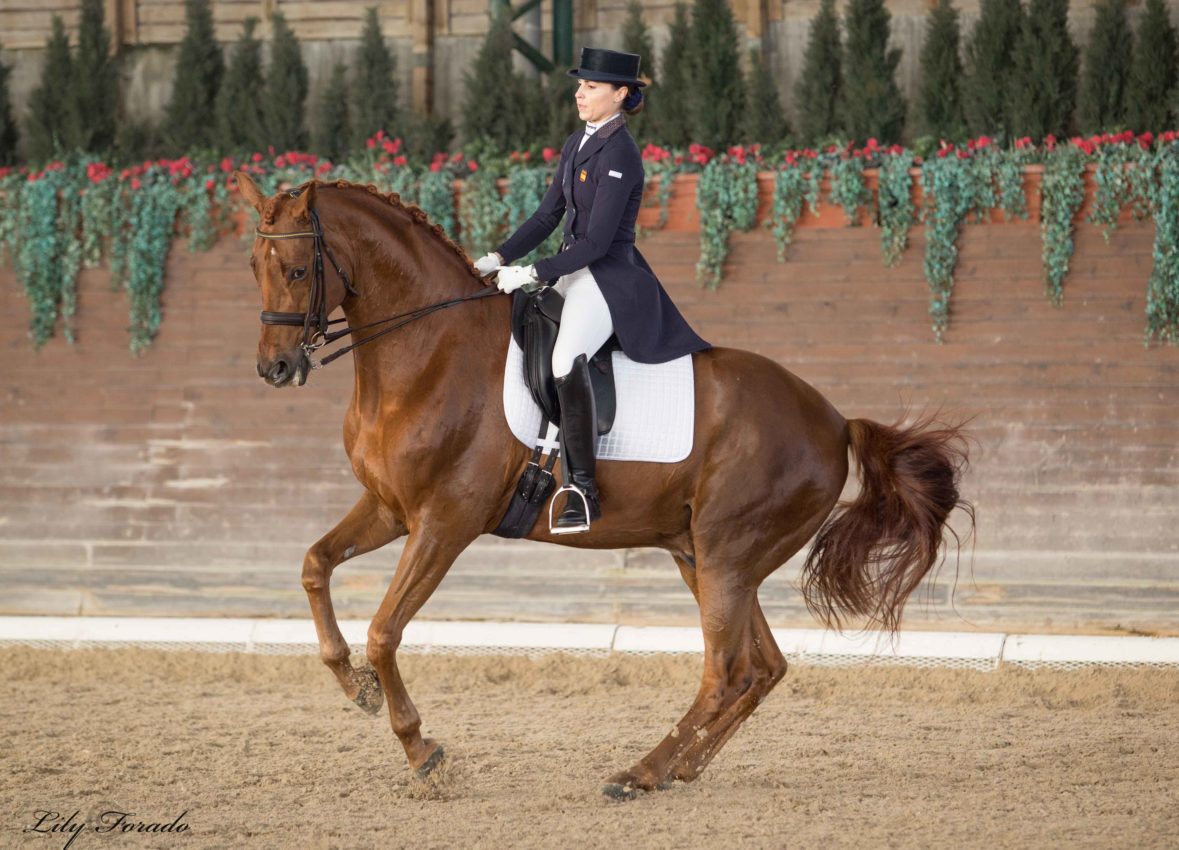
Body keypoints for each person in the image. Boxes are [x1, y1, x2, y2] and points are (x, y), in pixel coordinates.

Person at [474, 47, 710, 535]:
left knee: (565, 360)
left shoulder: (622, 152)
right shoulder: (576, 143)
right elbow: (547, 216)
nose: (580, 93)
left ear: (621, 94)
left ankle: (582, 488)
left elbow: (599, 242)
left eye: (592, 86)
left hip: (608, 276)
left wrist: (535, 271)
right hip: (570, 268)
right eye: (579, 85)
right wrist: (498, 258)